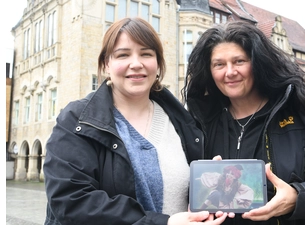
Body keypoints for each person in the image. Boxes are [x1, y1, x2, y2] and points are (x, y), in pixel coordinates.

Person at [43, 17, 227, 225]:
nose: (136, 64)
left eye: (146, 54)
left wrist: (206, 185)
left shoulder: (183, 122)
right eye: (123, 55)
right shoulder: (77, 120)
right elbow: (72, 202)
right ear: (106, 64)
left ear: (157, 64)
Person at [182, 20, 305, 225]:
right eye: (219, 64)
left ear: (258, 63)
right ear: (209, 70)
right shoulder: (200, 125)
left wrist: (299, 198)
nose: (229, 72)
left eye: (239, 61)